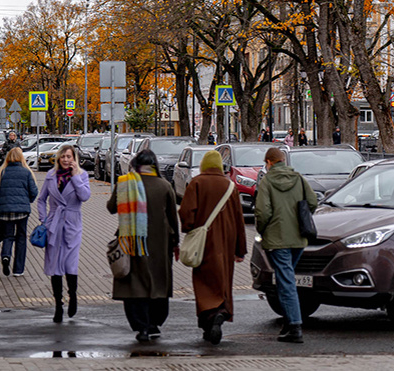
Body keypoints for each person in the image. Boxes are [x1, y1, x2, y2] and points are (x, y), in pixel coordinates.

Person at [106, 149, 179, 342]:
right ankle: (154, 323)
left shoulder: (125, 184)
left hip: (131, 243)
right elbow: (173, 218)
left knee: (135, 285)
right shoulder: (164, 186)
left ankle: (141, 327)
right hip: (159, 245)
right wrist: (176, 243)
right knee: (157, 283)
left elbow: (111, 207)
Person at [178, 150, 247, 344]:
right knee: (222, 279)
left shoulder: (196, 183)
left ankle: (208, 318)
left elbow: (186, 212)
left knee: (203, 281)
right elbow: (239, 220)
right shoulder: (230, 186)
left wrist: (189, 228)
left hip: (203, 242)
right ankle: (220, 313)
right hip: (226, 244)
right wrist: (239, 250)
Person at [254, 147, 317, 344]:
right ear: (283, 160)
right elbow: (313, 202)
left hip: (277, 239)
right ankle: (289, 323)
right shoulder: (298, 178)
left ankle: (295, 326)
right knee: (286, 279)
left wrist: (263, 230)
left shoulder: (267, 182)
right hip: (298, 239)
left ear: (269, 162)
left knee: (286, 281)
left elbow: (263, 212)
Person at [38, 144, 91, 323]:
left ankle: (73, 296)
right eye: (63, 157)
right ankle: (58, 305)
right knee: (55, 266)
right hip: (54, 224)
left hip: (72, 223)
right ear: (59, 158)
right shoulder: (51, 176)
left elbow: (85, 196)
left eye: (69, 157)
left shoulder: (82, 175)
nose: (66, 160)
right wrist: (44, 220)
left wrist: (75, 177)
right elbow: (41, 199)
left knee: (70, 263)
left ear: (74, 158)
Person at [0, 147, 38, 277]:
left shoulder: (2, 172)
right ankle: (18, 269)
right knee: (21, 238)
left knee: (8, 236)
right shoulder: (27, 172)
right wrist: (28, 201)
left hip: (5, 210)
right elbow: (34, 191)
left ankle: (6, 256)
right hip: (22, 211)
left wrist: (2, 201)